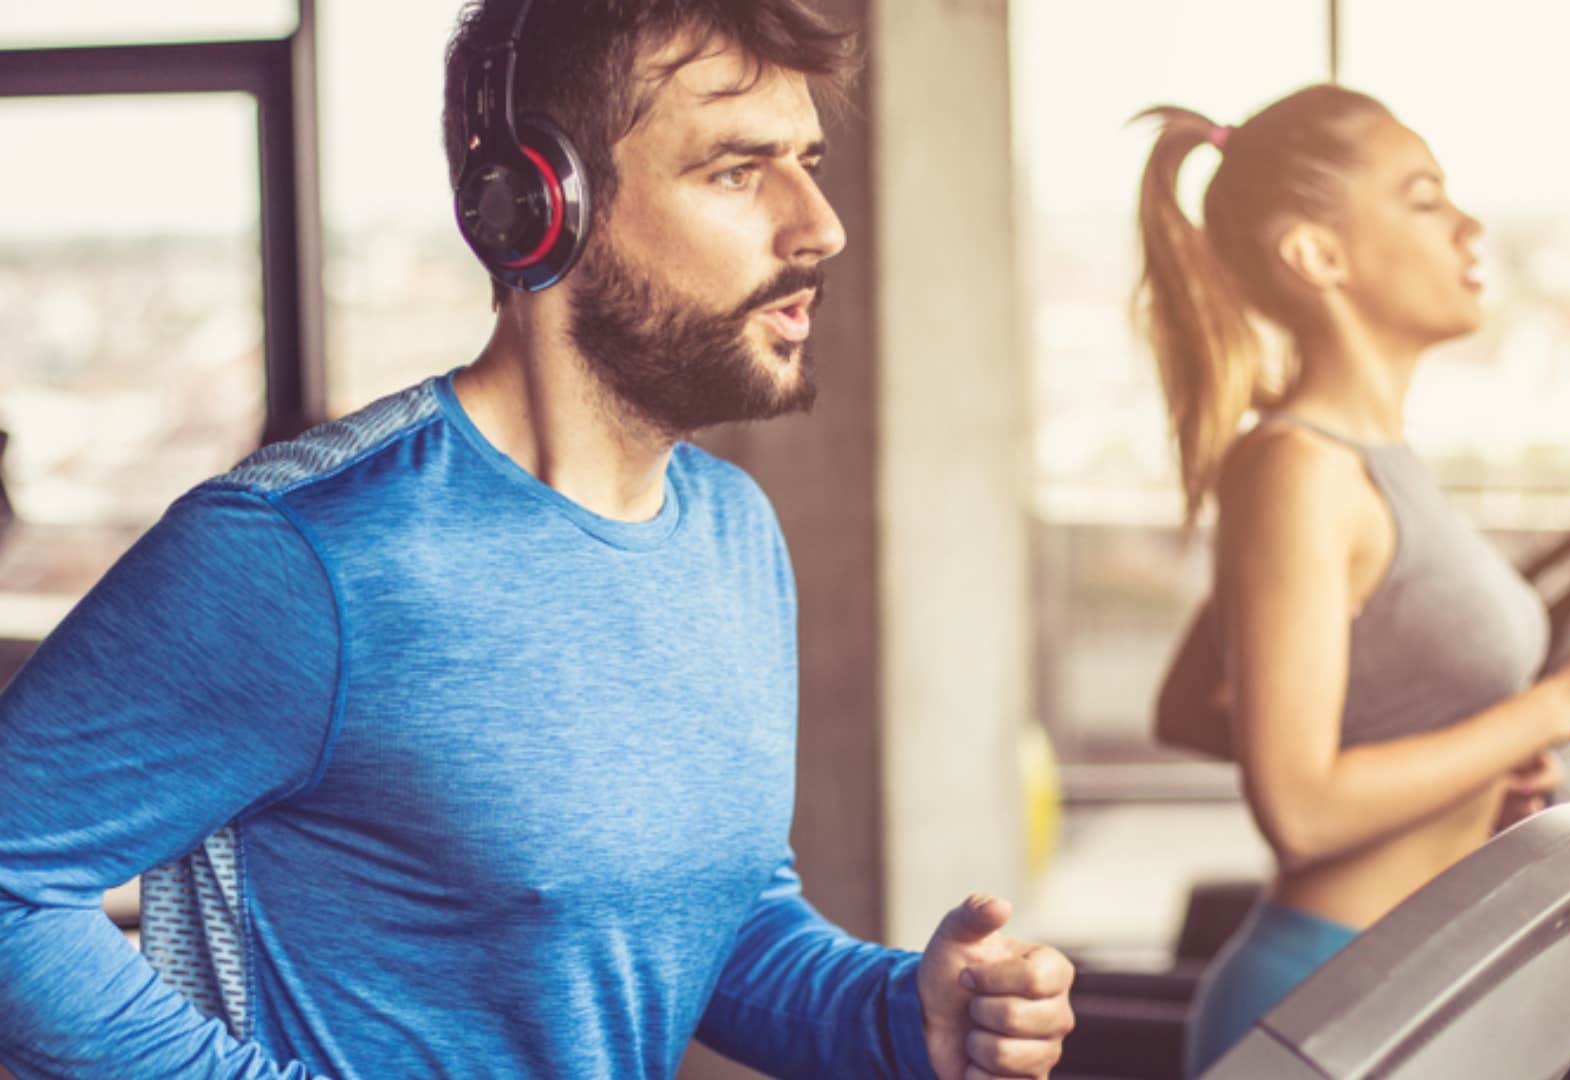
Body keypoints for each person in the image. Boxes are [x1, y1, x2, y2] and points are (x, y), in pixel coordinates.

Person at [0, 2, 1074, 1077]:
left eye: (808, 160)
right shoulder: (300, 555)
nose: (821, 225)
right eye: (738, 172)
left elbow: (713, 914)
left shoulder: (731, 532)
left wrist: (895, 1014)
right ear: (538, 204)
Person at [1131, 85, 1570, 1077]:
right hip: (1330, 1004)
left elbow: (1195, 706)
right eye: (1423, 197)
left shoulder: (1364, 461)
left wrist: (1464, 763)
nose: (1467, 224)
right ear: (1317, 255)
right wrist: (1555, 707)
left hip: (1416, 980)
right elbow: (1298, 805)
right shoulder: (1296, 469)